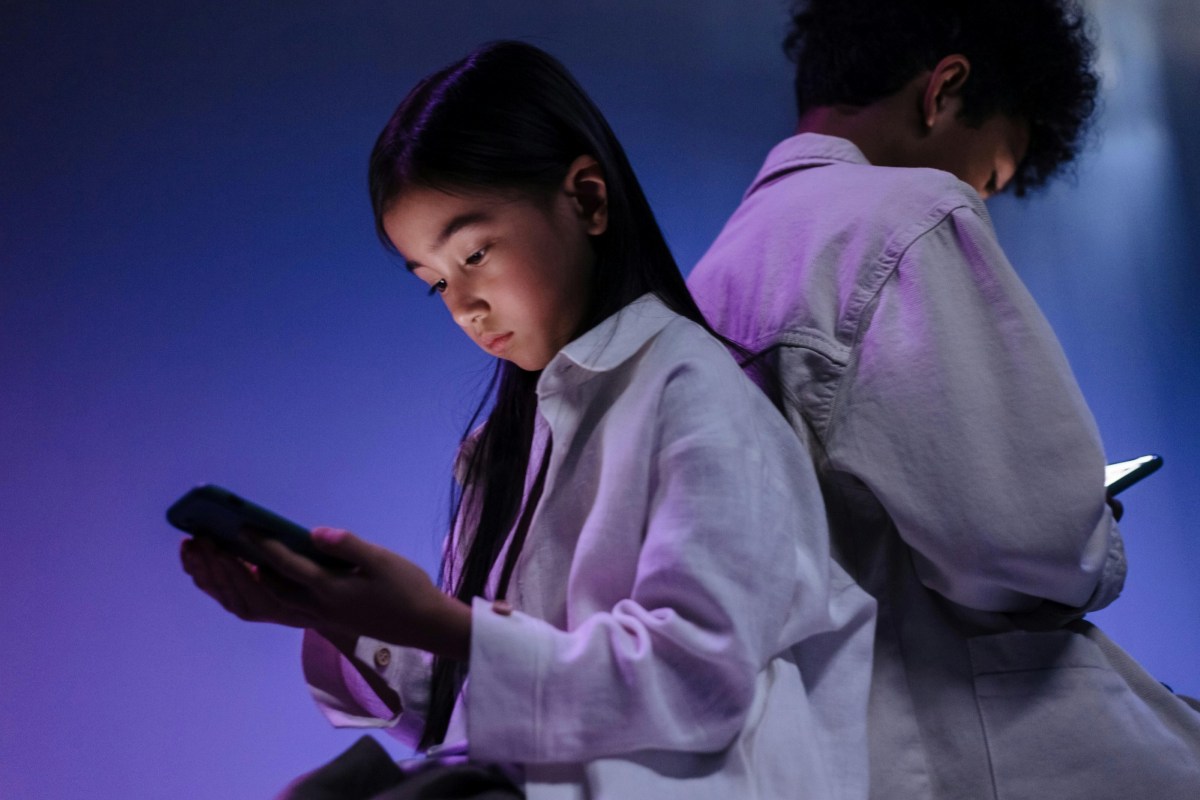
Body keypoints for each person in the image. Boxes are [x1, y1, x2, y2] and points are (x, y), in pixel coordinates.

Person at [180, 40, 875, 800]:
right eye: (434, 282)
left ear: (588, 201)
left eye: (475, 254)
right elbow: (490, 711)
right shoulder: (510, 443)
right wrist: (342, 616)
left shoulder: (691, 388)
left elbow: (696, 680)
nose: (462, 306)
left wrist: (445, 626)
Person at [688, 1, 1200, 798]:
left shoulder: (704, 282)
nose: (980, 201)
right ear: (943, 92)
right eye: (988, 177)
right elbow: (1023, 542)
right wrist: (1092, 529)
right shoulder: (910, 218)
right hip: (962, 749)